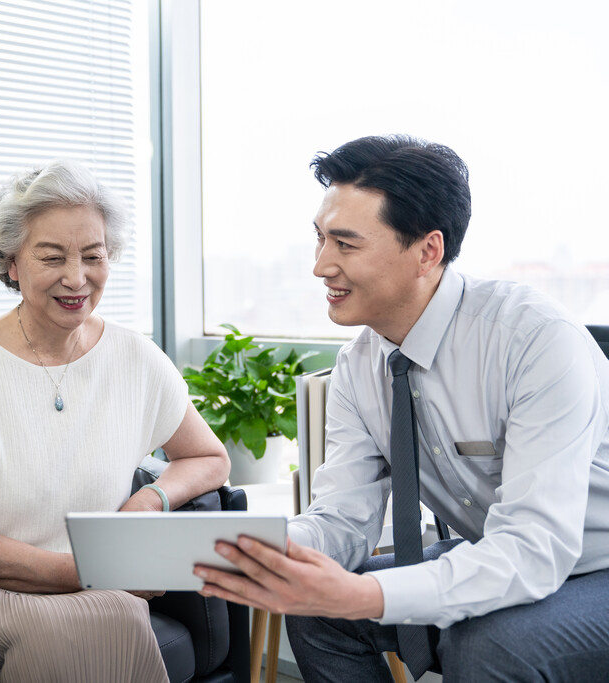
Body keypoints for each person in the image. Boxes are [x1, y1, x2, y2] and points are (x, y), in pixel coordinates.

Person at [195, 135, 609, 682]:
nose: (321, 266)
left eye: (345, 244)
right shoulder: (358, 366)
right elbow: (345, 516)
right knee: (318, 612)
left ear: (427, 251)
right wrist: (266, 550)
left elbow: (535, 547)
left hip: (590, 563)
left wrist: (364, 592)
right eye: (319, 240)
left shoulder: (533, 339)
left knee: (488, 645)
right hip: (503, 555)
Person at [0, 159, 230, 683]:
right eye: (52, 257)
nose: (76, 277)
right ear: (11, 262)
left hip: (98, 589)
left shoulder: (135, 357)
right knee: (110, 617)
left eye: (93, 256)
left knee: (109, 616)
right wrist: (89, 572)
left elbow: (207, 456)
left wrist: (147, 501)